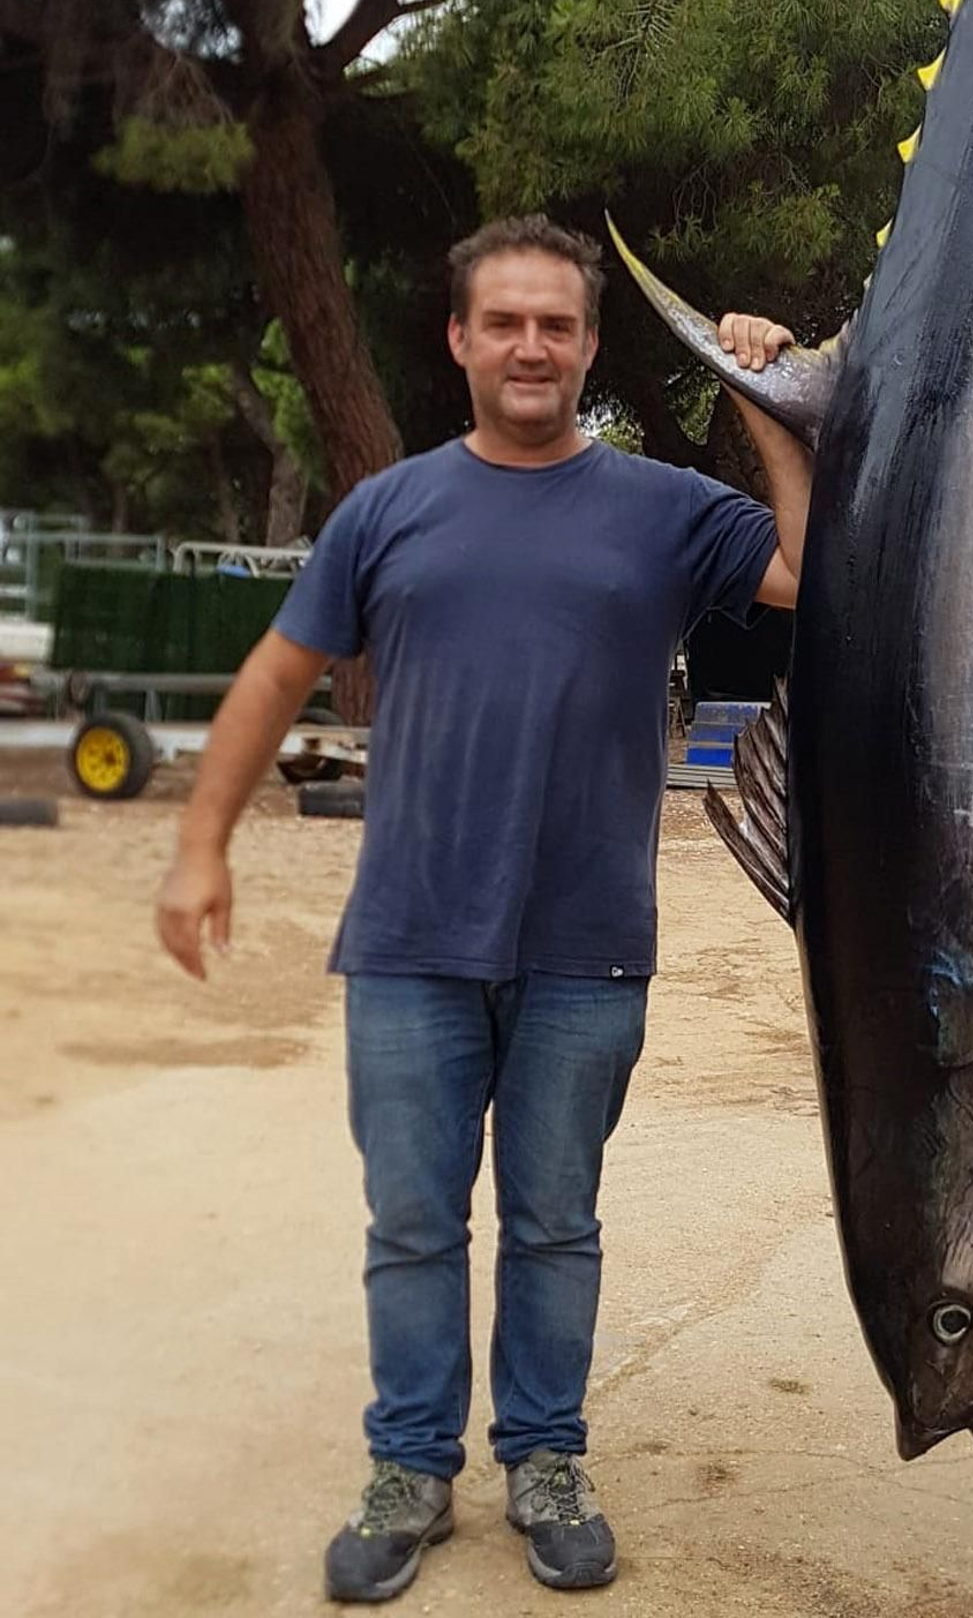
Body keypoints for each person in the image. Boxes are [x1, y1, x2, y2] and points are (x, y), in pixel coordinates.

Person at [154, 215, 811, 1603]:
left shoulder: (666, 512)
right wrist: (198, 845)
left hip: (587, 950)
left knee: (555, 1224)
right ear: (459, 340)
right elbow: (278, 678)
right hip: (409, 945)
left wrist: (764, 400)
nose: (531, 346)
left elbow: (815, 574)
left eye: (557, 325)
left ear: (586, 345)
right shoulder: (388, 512)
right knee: (412, 1224)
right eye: (503, 322)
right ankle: (408, 1467)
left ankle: (546, 1460)